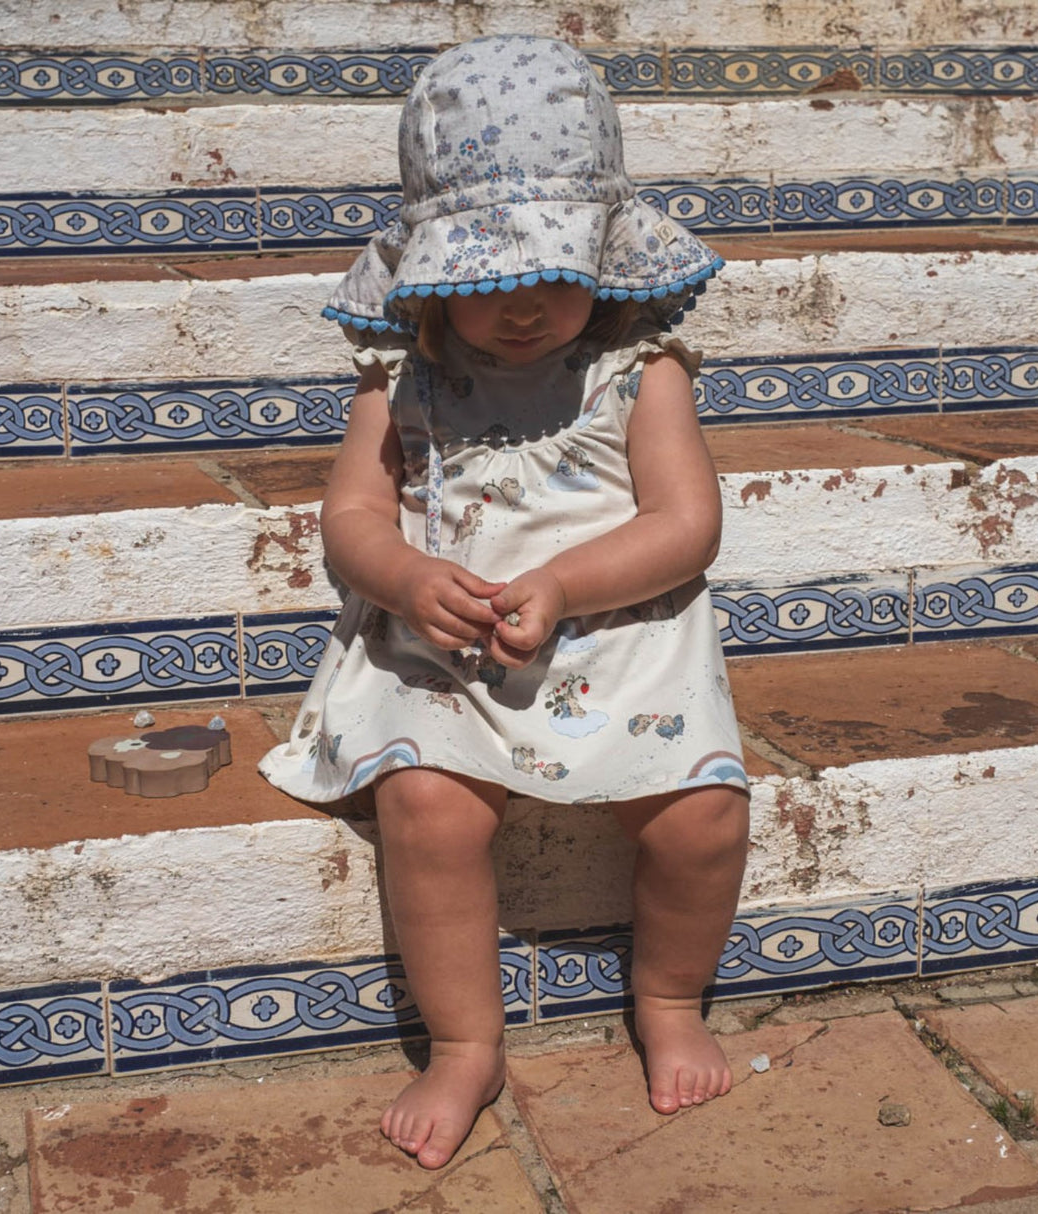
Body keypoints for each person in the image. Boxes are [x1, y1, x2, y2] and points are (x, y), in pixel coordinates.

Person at [261, 34, 750, 1170]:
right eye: (485, 280)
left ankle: (669, 997)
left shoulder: (641, 373)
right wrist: (405, 577)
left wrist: (566, 583)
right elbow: (351, 516)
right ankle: (463, 1042)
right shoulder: (401, 382)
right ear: (431, 273)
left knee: (703, 817)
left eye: (552, 271)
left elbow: (686, 525)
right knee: (427, 810)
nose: (521, 306)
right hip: (452, 653)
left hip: (624, 639)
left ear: (605, 254)